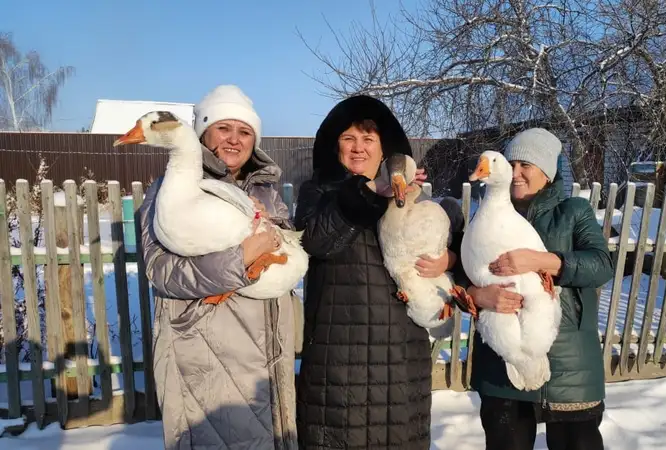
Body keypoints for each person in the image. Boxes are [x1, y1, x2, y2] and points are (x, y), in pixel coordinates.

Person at [294, 95, 460, 450]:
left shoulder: (413, 198)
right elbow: (317, 241)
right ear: (333, 145)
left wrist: (450, 259)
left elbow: (453, 249)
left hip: (401, 360)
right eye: (348, 138)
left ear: (384, 147)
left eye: (368, 139)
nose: (358, 148)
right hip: (338, 364)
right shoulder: (319, 192)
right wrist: (369, 192)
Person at [140, 84, 299, 449]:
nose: (234, 139)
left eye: (244, 132)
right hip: (207, 352)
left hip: (268, 354)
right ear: (202, 134)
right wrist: (239, 260)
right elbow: (161, 271)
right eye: (223, 128)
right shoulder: (171, 190)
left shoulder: (266, 193)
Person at [464, 128, 613, 450]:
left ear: (547, 171)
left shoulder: (573, 211)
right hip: (503, 362)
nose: (516, 174)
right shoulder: (484, 217)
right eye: (511, 164)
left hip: (569, 365)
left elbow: (601, 265)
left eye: (525, 166)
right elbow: (461, 273)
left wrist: (542, 260)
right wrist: (476, 295)